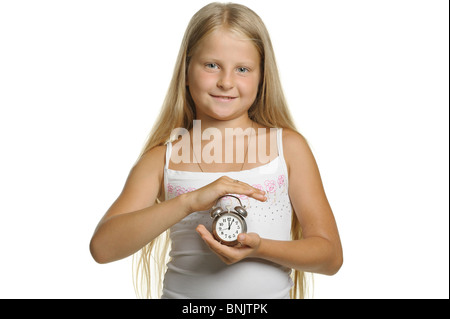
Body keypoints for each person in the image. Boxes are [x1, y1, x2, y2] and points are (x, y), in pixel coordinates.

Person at [89, 2, 343, 299]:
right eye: (212, 65)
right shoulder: (163, 159)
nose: (225, 81)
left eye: (242, 69)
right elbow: (102, 248)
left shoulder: (287, 149)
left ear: (262, 78)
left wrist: (260, 248)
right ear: (186, 71)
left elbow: (330, 257)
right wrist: (189, 202)